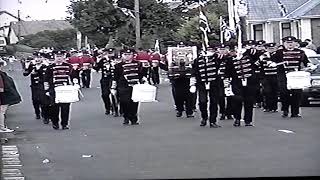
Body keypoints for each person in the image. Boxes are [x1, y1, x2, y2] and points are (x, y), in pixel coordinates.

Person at [273, 36, 315, 118]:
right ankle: (285, 109)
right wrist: (271, 63)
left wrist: (310, 65)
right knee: (284, 92)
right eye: (288, 43)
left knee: (297, 93)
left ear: (295, 43)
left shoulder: (300, 52)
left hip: (296, 75)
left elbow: (306, 62)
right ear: (284, 43)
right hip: (283, 74)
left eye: (291, 43)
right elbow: (272, 61)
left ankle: (295, 112)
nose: (290, 44)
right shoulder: (279, 52)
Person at [111, 49, 145, 125]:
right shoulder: (118, 65)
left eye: (129, 54)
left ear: (133, 55)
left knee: (134, 102)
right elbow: (115, 78)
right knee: (124, 102)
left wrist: (144, 81)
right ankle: (126, 116)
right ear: (122, 56)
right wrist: (113, 88)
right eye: (125, 54)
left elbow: (141, 74)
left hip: (135, 85)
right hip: (123, 86)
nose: (127, 56)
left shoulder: (138, 64)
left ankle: (134, 118)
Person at [230, 44, 261, 127]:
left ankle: (248, 120)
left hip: (250, 81)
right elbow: (228, 71)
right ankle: (237, 118)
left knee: (249, 101)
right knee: (237, 100)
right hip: (237, 82)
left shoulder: (249, 56)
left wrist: (248, 49)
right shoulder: (231, 59)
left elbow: (257, 54)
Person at [190, 48, 222, 128]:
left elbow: (222, 61)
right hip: (202, 84)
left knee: (214, 102)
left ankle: (213, 121)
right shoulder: (197, 60)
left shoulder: (216, 59)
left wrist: (214, 55)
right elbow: (194, 72)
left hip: (214, 83)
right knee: (202, 101)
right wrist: (192, 84)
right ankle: (204, 117)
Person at [45, 51, 73, 130]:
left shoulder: (69, 66)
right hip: (54, 89)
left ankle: (65, 124)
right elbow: (46, 79)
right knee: (54, 107)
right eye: (57, 56)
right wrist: (47, 90)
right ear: (54, 57)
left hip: (65, 89)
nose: (59, 58)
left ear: (63, 57)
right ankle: (55, 123)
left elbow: (73, 76)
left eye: (60, 56)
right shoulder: (50, 67)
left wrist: (74, 85)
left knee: (65, 108)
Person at [23, 55, 51, 124]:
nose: (38, 59)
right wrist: (26, 67)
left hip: (42, 85)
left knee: (44, 101)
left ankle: (45, 116)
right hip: (34, 86)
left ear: (42, 59)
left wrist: (38, 71)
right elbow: (25, 74)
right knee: (35, 100)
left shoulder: (45, 66)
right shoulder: (32, 66)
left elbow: (47, 75)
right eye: (36, 58)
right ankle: (37, 113)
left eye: (39, 58)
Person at [93, 48, 119, 116]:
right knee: (105, 94)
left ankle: (115, 109)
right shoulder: (103, 60)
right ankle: (108, 107)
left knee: (114, 94)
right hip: (105, 79)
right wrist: (97, 61)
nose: (110, 54)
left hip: (114, 79)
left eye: (111, 53)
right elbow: (96, 68)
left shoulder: (117, 59)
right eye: (108, 53)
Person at [0, 59, 21, 132]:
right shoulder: (2, 74)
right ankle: (2, 127)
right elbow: (1, 88)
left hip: (5, 96)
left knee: (2, 111)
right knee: (1, 112)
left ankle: (2, 126)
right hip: (4, 96)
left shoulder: (2, 74)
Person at [260, 43, 279, 112]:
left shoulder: (277, 55)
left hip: (275, 75)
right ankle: (267, 106)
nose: (271, 50)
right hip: (266, 76)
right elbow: (259, 66)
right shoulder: (262, 56)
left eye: (272, 48)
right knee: (267, 91)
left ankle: (274, 107)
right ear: (266, 49)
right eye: (269, 48)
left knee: (275, 92)